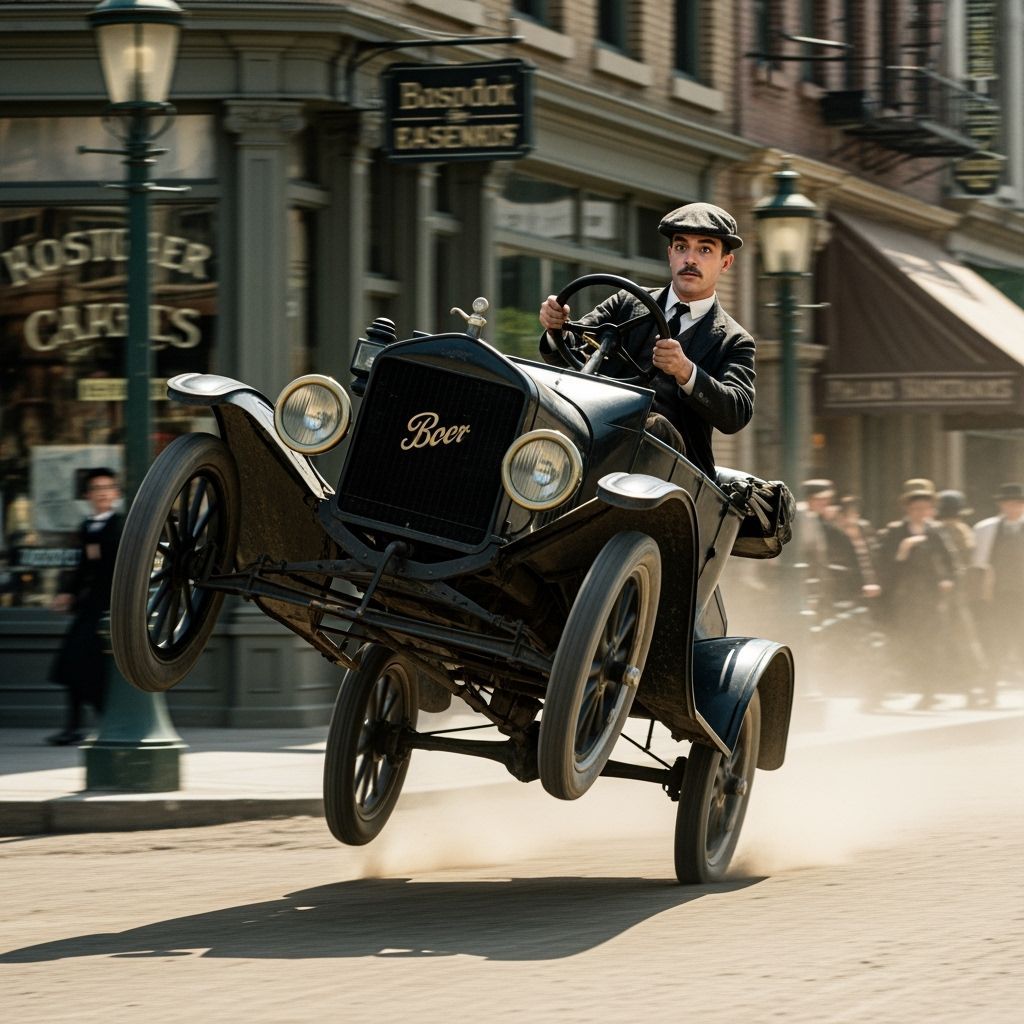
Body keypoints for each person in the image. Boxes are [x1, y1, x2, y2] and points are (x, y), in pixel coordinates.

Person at [537, 202, 755, 477]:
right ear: (669, 254)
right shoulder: (626, 303)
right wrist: (556, 327)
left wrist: (685, 371)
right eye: (681, 247)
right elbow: (567, 352)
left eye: (705, 249)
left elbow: (735, 413)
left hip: (674, 478)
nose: (690, 259)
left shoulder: (734, 340)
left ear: (726, 262)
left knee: (657, 428)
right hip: (595, 445)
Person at [46, 467, 124, 745]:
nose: (102, 493)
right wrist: (67, 593)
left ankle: (105, 723)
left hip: (110, 608)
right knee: (72, 665)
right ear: (88, 495)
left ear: (115, 493)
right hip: (88, 607)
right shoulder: (87, 527)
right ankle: (74, 726)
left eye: (107, 488)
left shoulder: (120, 525)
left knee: (89, 667)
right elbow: (82, 569)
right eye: (97, 489)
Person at [874, 480, 956, 708]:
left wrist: (947, 580)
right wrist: (903, 551)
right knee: (897, 644)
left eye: (925, 508)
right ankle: (877, 693)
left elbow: (951, 562)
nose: (921, 513)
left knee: (930, 645)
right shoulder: (894, 532)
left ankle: (928, 693)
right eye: (916, 508)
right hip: (901, 600)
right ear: (907, 509)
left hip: (929, 600)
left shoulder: (936, 532)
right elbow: (883, 567)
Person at [972, 482, 1024, 689]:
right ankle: (990, 686)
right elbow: (977, 563)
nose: (1012, 508)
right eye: (1007, 504)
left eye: (1017, 504)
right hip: (995, 594)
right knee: (994, 640)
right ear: (1001, 505)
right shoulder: (985, 529)